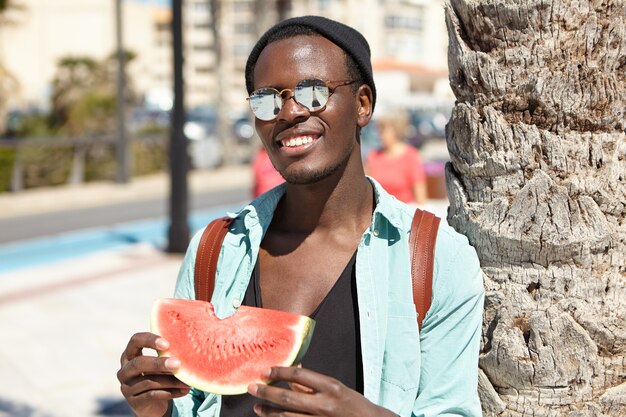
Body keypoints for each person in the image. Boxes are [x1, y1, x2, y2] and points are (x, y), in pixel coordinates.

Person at [117, 16, 484, 417]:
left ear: (362, 104)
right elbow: (191, 406)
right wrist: (157, 410)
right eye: (266, 100)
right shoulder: (214, 249)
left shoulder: (435, 260)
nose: (288, 112)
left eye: (313, 92)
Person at [365, 112, 428, 205]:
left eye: (383, 130)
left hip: (403, 213)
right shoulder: (372, 156)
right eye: (379, 130)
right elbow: (366, 191)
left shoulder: (411, 156)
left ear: (396, 130)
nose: (379, 134)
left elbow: (421, 198)